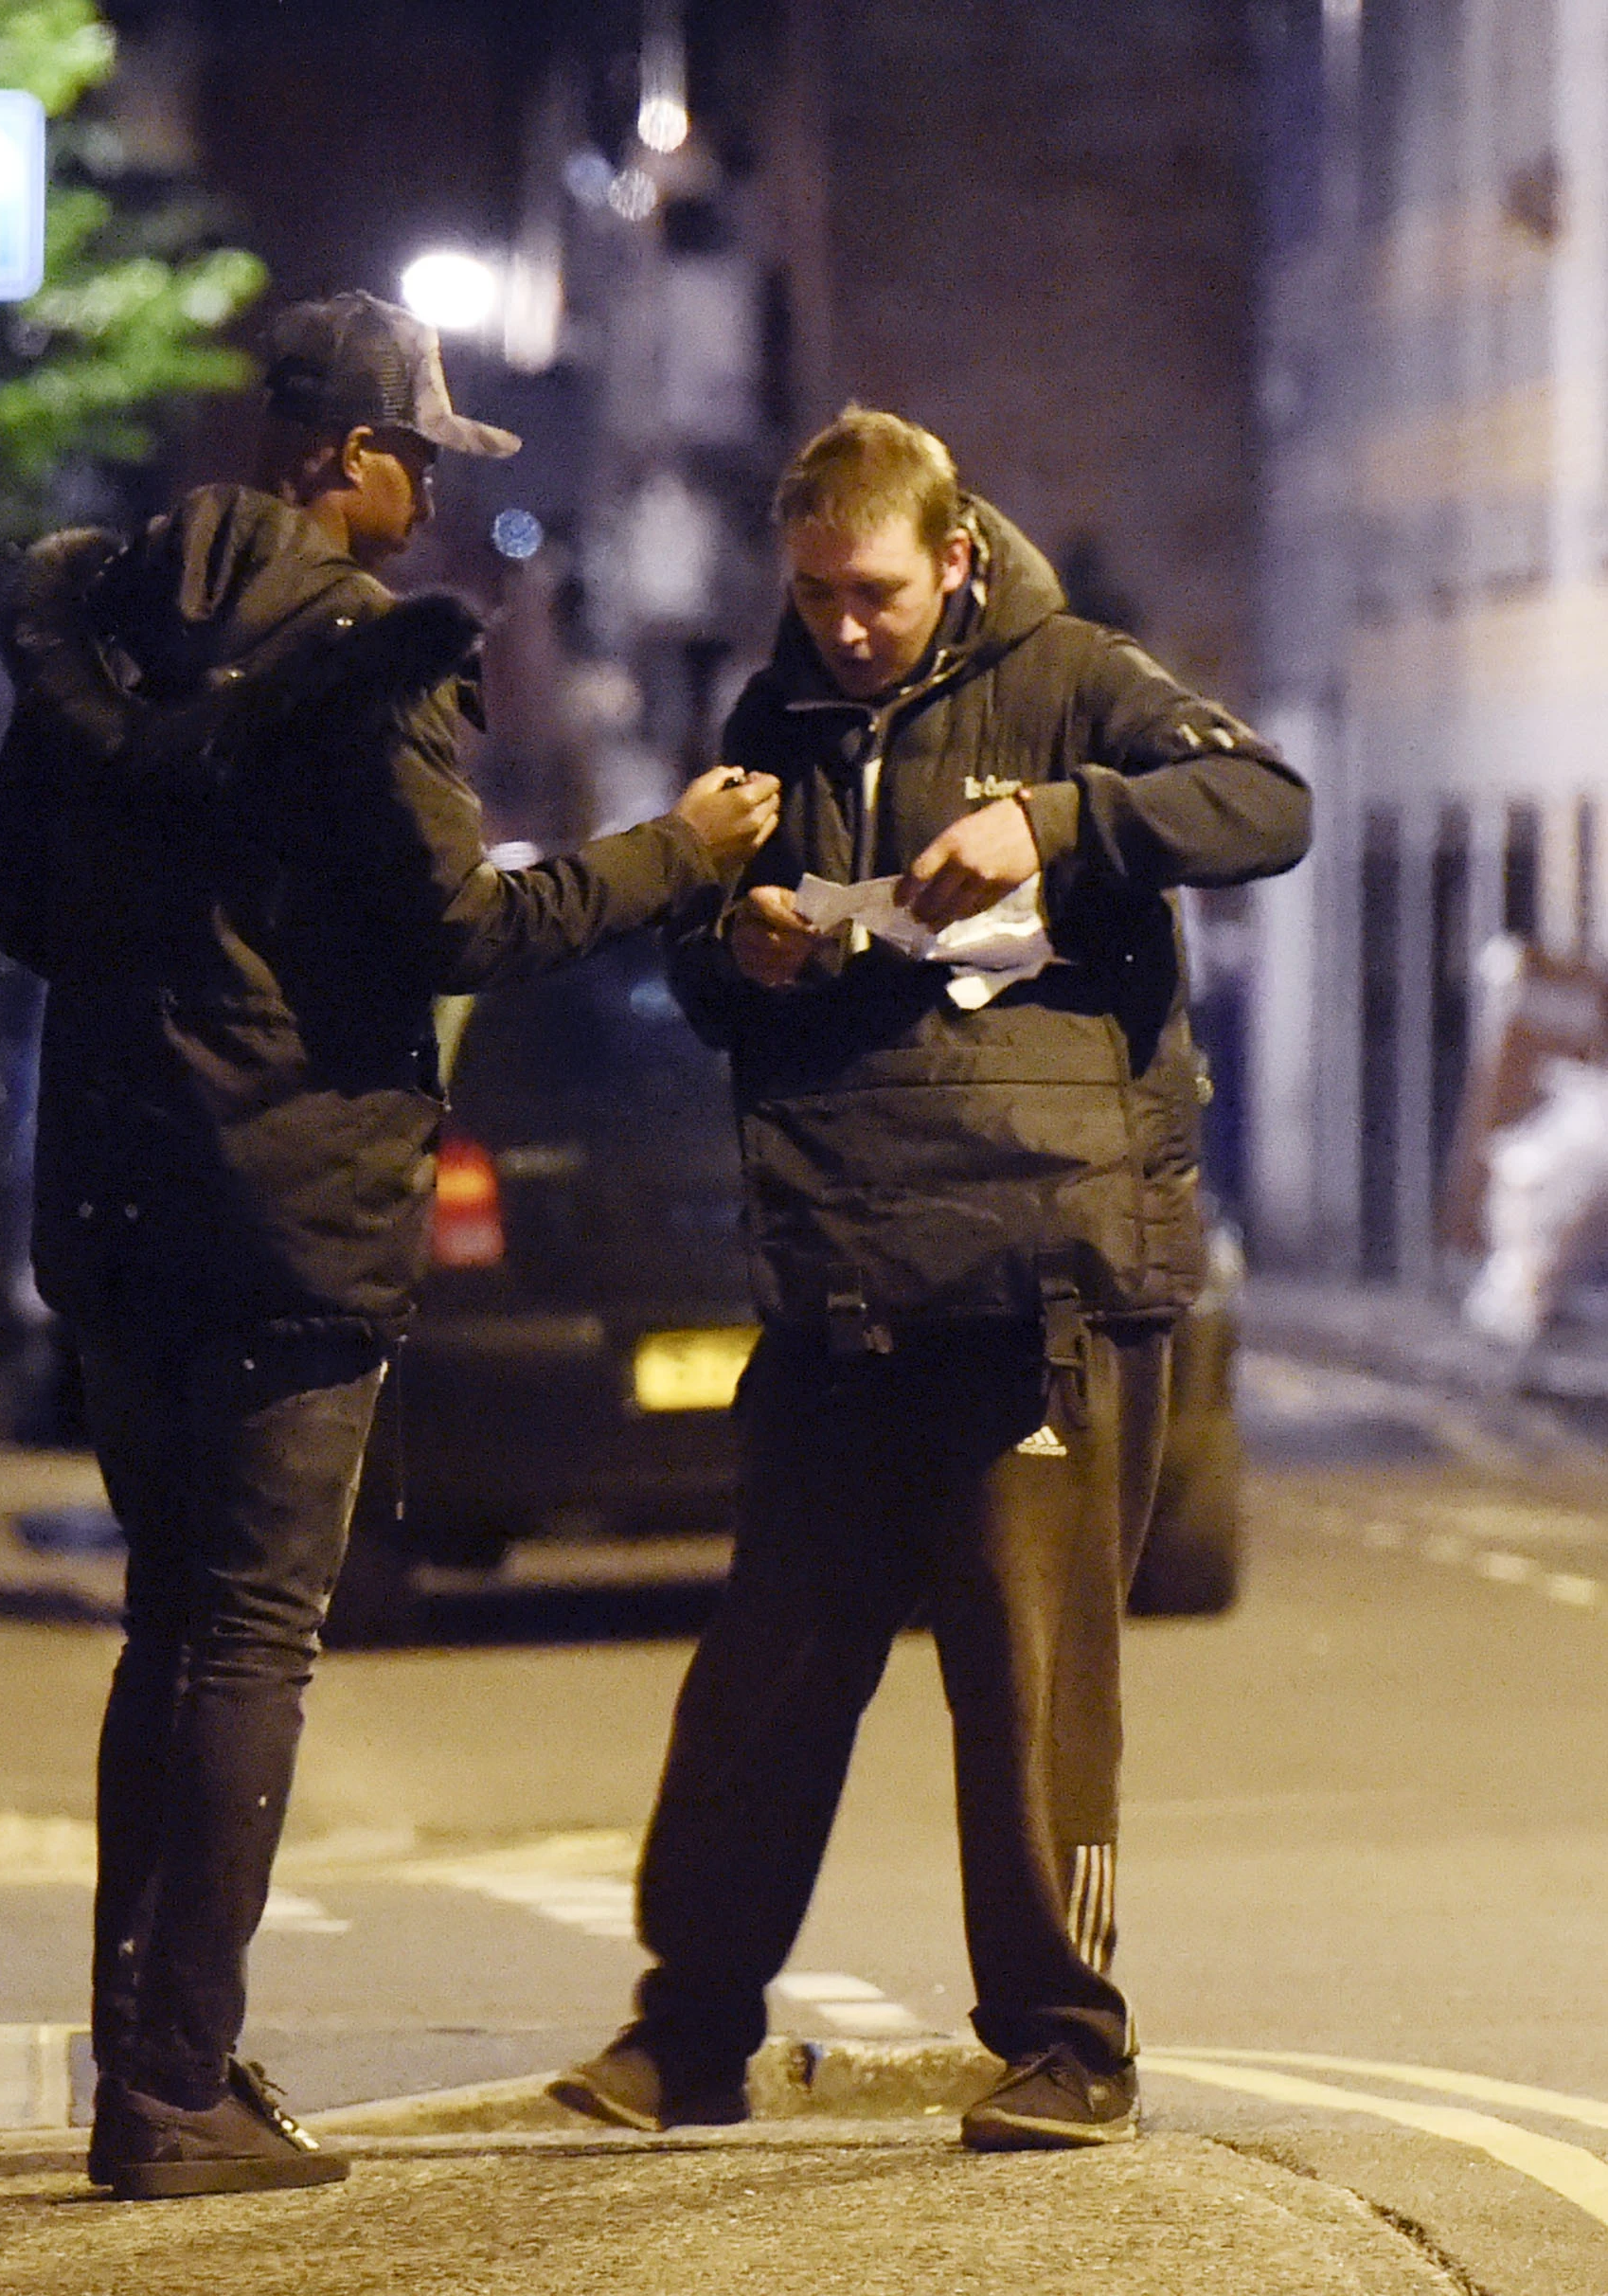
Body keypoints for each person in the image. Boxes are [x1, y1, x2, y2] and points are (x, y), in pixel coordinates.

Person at [0, 289, 779, 2201]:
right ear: (339, 457)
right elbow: (455, 928)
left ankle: (147, 2054)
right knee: (250, 1632)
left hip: (110, 1190)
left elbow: (16, 892)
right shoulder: (364, 655)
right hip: (290, 1202)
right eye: (413, 454)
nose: (426, 489)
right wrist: (674, 853)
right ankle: (172, 2084)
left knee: (164, 1622)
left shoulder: (96, 634)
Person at [549, 407, 1310, 2151]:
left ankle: (1068, 2043)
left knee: (1034, 1693)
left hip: (1038, 1285)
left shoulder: (1078, 677)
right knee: (767, 1676)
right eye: (813, 592)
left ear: (952, 554)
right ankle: (689, 2030)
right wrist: (735, 948)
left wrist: (1052, 823)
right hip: (844, 1271)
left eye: (873, 592)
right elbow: (712, 975)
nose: (842, 626)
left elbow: (1266, 800)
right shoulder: (778, 717)